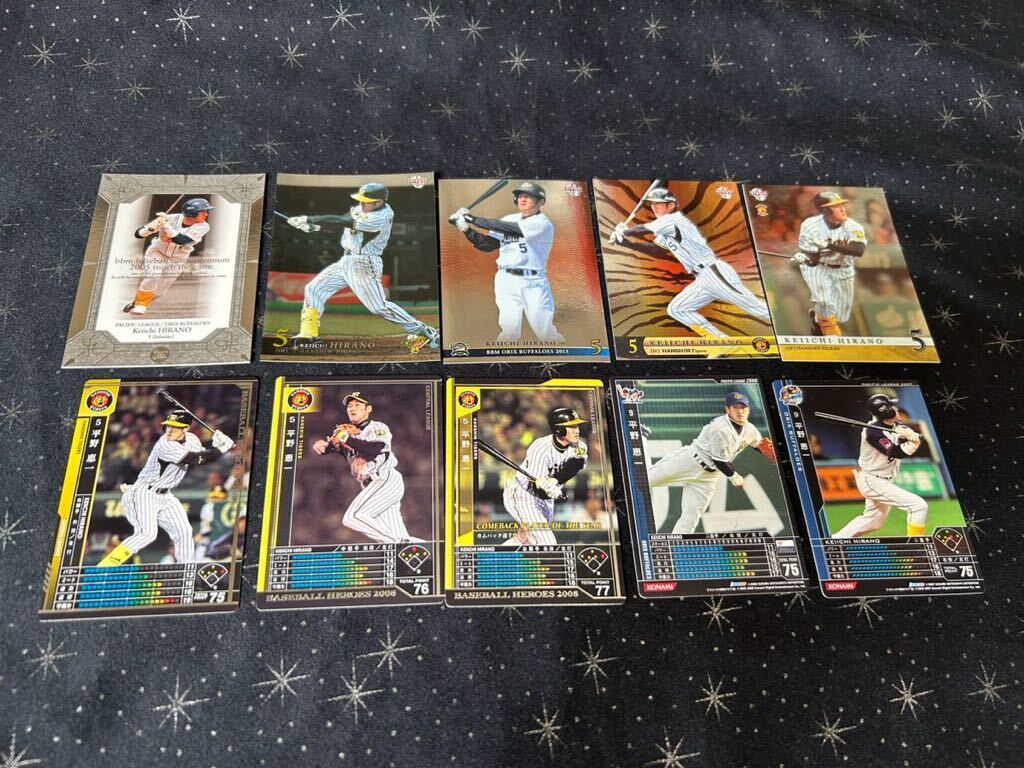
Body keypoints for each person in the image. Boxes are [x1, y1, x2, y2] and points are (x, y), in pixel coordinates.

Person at [286, 182, 440, 350]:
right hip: (346, 261)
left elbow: (344, 221)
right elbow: (341, 223)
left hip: (364, 263)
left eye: (366, 201)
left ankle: (424, 331)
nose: (361, 203)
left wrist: (309, 219)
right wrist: (316, 227)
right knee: (314, 289)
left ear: (379, 202)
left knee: (378, 307)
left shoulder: (381, 216)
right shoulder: (362, 208)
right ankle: (308, 334)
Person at [612, 187, 771, 339]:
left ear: (671, 205)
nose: (654, 206)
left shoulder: (673, 219)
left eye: (658, 203)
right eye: (652, 203)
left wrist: (624, 230)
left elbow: (645, 228)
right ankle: (721, 342)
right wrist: (627, 243)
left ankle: (787, 323)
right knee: (677, 309)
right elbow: (657, 250)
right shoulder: (666, 228)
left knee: (757, 308)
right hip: (702, 279)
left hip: (714, 272)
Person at [98, 410, 235, 566]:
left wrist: (214, 444)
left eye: (175, 427)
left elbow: (202, 455)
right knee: (147, 534)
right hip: (144, 492)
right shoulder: (165, 444)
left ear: (185, 429)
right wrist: (221, 449)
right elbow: (194, 458)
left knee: (184, 531)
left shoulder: (192, 439)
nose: (169, 430)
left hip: (165, 494)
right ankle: (108, 564)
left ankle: (185, 571)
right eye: (168, 426)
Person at [449, 182, 564, 343]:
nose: (523, 199)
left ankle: (566, 356)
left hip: (533, 282)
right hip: (506, 279)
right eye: (521, 196)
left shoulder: (542, 223)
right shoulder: (508, 219)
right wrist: (466, 229)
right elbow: (487, 245)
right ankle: (505, 356)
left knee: (545, 332)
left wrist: (470, 218)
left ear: (540, 202)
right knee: (509, 330)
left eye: (529, 196)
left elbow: (514, 228)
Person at [311, 391, 422, 543]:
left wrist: (346, 439)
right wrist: (322, 445)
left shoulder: (377, 427)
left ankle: (397, 545)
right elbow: (329, 448)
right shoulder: (345, 433)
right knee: (399, 535)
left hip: (385, 479)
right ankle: (420, 549)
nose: (352, 408)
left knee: (353, 517)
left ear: (368, 409)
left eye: (358, 405)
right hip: (371, 486)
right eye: (350, 405)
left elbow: (375, 449)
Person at [831, 394, 928, 538]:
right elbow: (895, 452)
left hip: (883, 480)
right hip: (872, 480)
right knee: (918, 506)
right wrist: (912, 443)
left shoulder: (896, 426)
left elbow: (910, 438)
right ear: (886, 411)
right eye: (892, 407)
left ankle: (834, 540)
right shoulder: (872, 432)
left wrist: (908, 435)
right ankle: (917, 546)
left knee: (873, 522)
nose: (896, 409)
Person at [501, 407, 588, 545]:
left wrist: (553, 481)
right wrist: (546, 487)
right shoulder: (540, 448)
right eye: (571, 427)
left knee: (526, 541)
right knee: (547, 542)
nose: (577, 430)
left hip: (546, 499)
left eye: (577, 426)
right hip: (524, 494)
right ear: (558, 429)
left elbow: (576, 464)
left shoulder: (580, 445)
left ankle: (493, 556)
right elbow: (538, 489)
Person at [789, 191, 867, 336]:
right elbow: (813, 258)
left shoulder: (853, 226)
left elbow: (858, 250)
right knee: (824, 302)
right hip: (820, 268)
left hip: (844, 269)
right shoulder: (810, 225)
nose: (843, 209)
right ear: (825, 210)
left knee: (842, 316)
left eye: (842, 205)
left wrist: (829, 245)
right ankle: (832, 338)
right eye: (837, 206)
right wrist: (804, 257)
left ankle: (817, 318)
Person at [123, 198, 213, 316]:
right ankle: (141, 304)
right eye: (203, 211)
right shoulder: (169, 218)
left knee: (160, 291)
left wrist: (165, 226)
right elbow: (138, 234)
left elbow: (181, 240)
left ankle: (137, 301)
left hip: (178, 258)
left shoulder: (204, 226)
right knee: (153, 275)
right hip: (157, 252)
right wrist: (150, 228)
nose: (206, 214)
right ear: (192, 213)